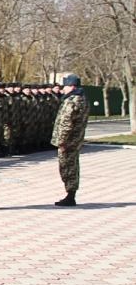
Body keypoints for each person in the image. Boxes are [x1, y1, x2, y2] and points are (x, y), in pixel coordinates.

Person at [51, 75, 90, 207]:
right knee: (73, 166)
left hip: (68, 142)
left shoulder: (72, 101)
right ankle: (71, 194)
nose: (63, 89)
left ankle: (70, 195)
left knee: (68, 168)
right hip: (76, 140)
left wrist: (61, 142)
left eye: (65, 86)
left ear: (72, 87)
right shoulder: (83, 100)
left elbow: (66, 124)